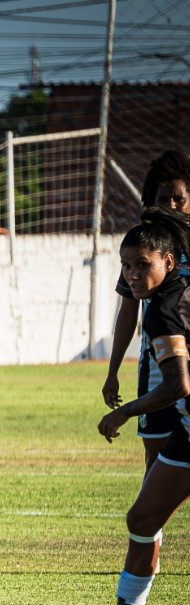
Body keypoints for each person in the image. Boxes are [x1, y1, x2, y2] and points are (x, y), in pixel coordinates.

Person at [66, 206, 190, 605]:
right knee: (142, 519)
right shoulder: (174, 294)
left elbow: (177, 386)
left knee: (143, 518)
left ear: (169, 262)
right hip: (187, 433)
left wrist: (123, 413)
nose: (133, 274)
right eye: (126, 265)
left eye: (143, 264)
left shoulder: (166, 310)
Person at [102, 150, 190, 471]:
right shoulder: (145, 249)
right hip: (157, 368)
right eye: (164, 199)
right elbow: (128, 312)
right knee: (156, 460)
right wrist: (112, 371)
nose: (171, 206)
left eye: (179, 199)